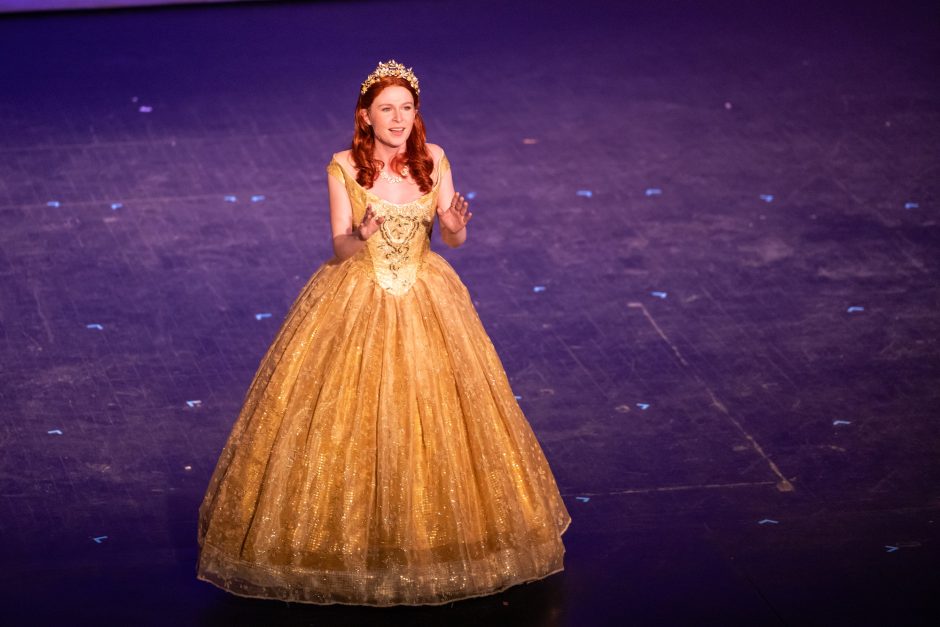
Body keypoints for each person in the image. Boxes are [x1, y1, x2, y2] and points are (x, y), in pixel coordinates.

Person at [196, 60, 570, 606]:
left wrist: (456, 224)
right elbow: (339, 246)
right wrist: (362, 232)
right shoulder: (343, 167)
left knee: (435, 412)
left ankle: (438, 539)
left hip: (424, 293)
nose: (398, 118)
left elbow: (452, 237)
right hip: (360, 295)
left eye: (406, 108)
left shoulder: (435, 159)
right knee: (348, 416)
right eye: (386, 110)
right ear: (366, 116)